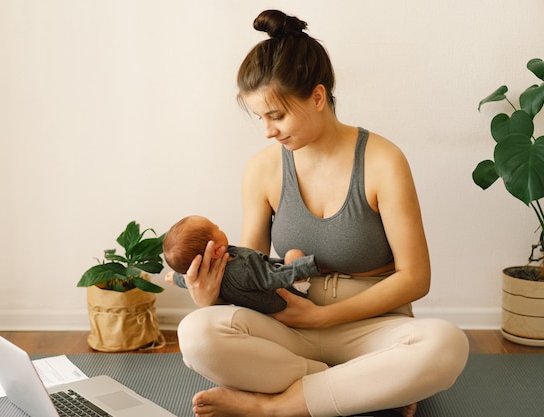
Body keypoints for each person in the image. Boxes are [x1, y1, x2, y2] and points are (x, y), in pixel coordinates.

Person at [176, 9, 469, 417]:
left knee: (446, 344)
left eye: (276, 115)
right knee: (196, 333)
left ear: (317, 97)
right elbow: (250, 270)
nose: (267, 131)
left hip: (373, 327)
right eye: (260, 117)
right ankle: (358, 386)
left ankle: (275, 407)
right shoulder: (262, 169)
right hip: (289, 325)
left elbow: (415, 278)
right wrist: (209, 299)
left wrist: (323, 317)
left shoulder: (383, 161)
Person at [163, 215, 319, 314]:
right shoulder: (243, 267)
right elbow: (272, 278)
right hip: (288, 297)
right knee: (294, 255)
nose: (218, 226)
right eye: (216, 228)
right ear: (215, 251)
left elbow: (187, 280)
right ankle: (302, 286)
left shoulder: (203, 278)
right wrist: (307, 266)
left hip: (263, 304)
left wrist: (174, 278)